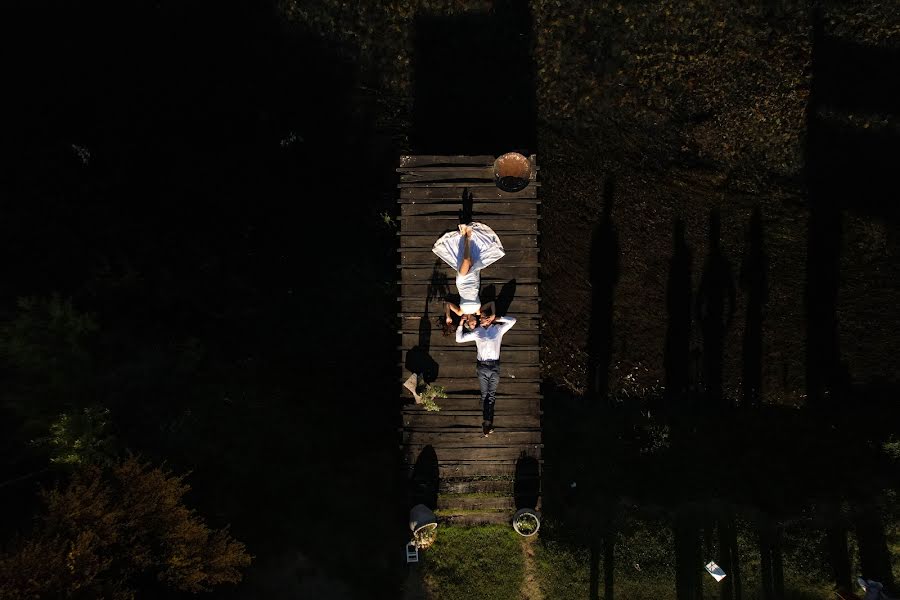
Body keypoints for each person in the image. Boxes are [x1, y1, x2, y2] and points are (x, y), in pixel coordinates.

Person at [455, 311, 517, 436]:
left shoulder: (498, 329)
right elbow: (459, 339)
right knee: (485, 395)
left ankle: (487, 423)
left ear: (488, 319)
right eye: (480, 318)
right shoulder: (478, 331)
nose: (479, 319)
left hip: (494, 366)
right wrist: (461, 323)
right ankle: (487, 423)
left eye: (482, 318)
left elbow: (513, 321)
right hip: (482, 367)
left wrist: (497, 318)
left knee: (491, 395)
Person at [432, 223, 505, 321]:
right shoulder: (478, 311)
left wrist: (448, 316)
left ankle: (468, 235)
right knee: (472, 259)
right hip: (474, 281)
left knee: (466, 260)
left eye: (471, 325)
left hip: (462, 283)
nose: (474, 324)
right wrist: (493, 314)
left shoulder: (460, 312)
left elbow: (448, 304)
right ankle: (464, 235)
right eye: (475, 325)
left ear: (468, 322)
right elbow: (492, 303)